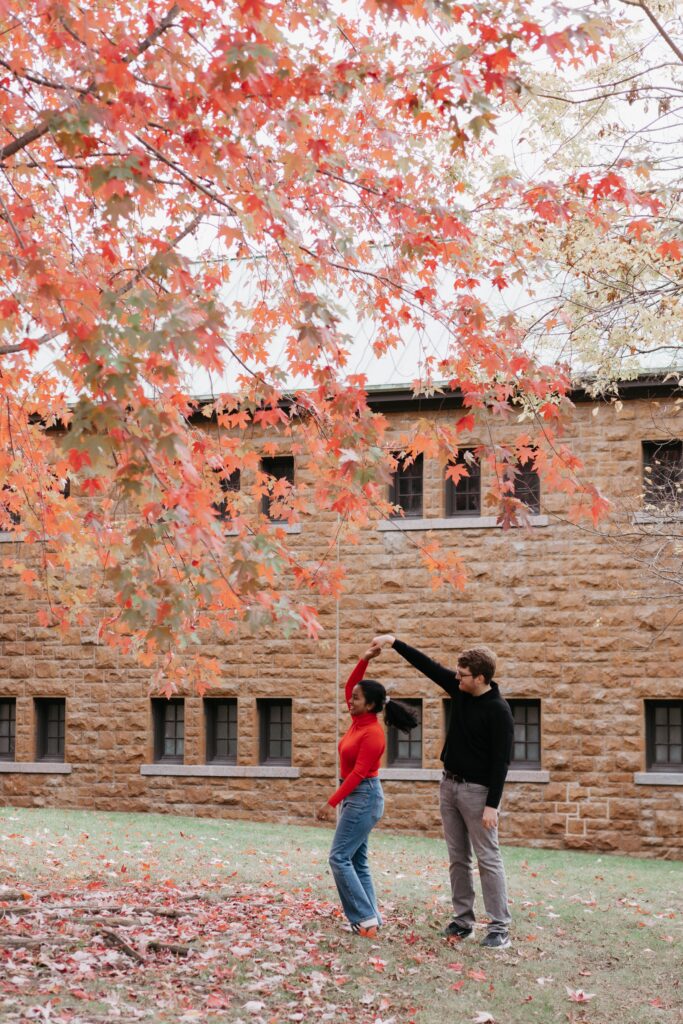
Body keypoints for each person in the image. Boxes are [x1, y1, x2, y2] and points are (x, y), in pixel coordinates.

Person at [370, 634, 514, 950]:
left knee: (488, 858)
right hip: (449, 786)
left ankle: (499, 928)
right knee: (457, 857)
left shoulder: (499, 710)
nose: (456, 678)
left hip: (478, 793)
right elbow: (428, 666)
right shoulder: (460, 690)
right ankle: (463, 922)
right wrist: (394, 642)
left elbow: (501, 762)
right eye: (457, 674)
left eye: (463, 675)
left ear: (481, 678)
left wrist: (492, 805)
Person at [315, 647, 418, 938]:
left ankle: (364, 918)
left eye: (357, 698)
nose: (350, 700)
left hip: (364, 796)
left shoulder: (373, 733)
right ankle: (371, 918)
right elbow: (350, 685)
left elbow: (359, 774)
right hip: (356, 797)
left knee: (339, 857)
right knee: (356, 861)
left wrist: (331, 803)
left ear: (370, 705)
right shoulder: (358, 721)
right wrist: (365, 659)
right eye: (352, 697)